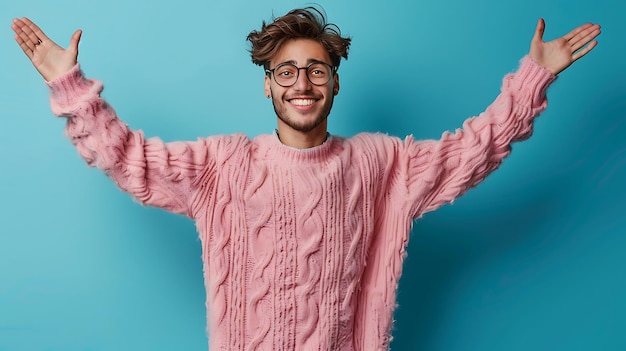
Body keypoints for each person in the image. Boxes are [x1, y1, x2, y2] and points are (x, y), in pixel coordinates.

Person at [12, 7, 600, 351]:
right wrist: (71, 89)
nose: (301, 82)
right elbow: (128, 158)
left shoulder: (381, 164)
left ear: (335, 83)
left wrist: (532, 80)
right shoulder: (224, 165)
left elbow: (476, 149)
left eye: (316, 69)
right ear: (267, 85)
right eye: (286, 70)